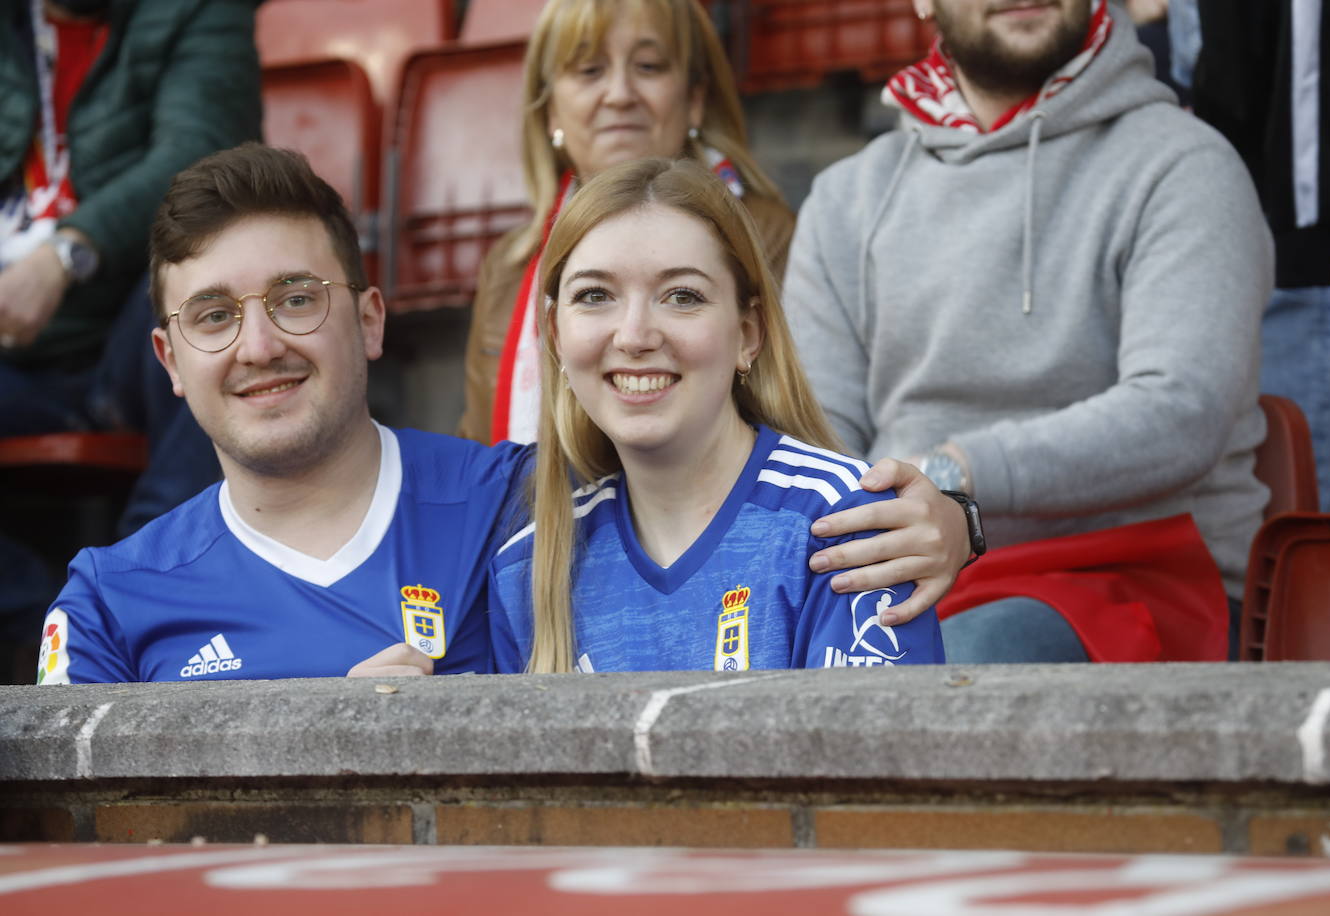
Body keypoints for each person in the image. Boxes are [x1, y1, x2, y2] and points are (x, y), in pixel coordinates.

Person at [36, 145, 967, 685]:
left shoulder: (523, 510)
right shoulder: (109, 598)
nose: (258, 345)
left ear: (369, 320)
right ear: (168, 358)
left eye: (295, 297)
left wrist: (954, 511)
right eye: (212, 316)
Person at [783, 0, 1273, 663]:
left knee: (955, 664)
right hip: (906, 578)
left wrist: (958, 480)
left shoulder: (1185, 165)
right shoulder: (847, 198)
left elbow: (1182, 409)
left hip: (1140, 576)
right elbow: (820, 438)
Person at [488, 158, 945, 673]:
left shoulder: (846, 524)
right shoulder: (526, 568)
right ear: (555, 336)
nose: (635, 335)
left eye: (682, 296)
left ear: (747, 334)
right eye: (595, 296)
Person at [0, 0, 260, 662]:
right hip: (15, 353)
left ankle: (148, 605)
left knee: (204, 301)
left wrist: (67, 252)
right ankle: (48, 624)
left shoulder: (192, 11)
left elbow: (199, 161)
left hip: (123, 321)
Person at [456, 0, 795, 447]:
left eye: (649, 67)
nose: (619, 94)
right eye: (589, 71)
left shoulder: (767, 237)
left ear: (694, 100)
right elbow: (477, 452)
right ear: (552, 110)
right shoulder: (507, 267)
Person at [1182, 0, 1330, 510]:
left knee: (1294, 363)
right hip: (1241, 159)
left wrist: (1302, 229)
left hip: (1292, 185)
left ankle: (1288, 574)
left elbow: (1311, 47)